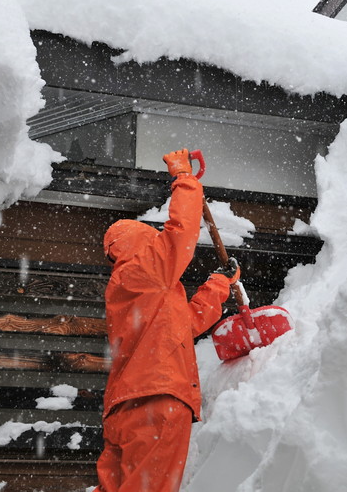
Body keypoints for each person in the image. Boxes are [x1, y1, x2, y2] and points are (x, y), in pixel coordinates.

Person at [95, 148, 240, 492]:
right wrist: (184, 179)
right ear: (143, 242)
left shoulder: (134, 288)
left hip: (126, 410)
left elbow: (184, 326)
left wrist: (219, 284)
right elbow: (181, 232)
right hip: (156, 402)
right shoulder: (144, 269)